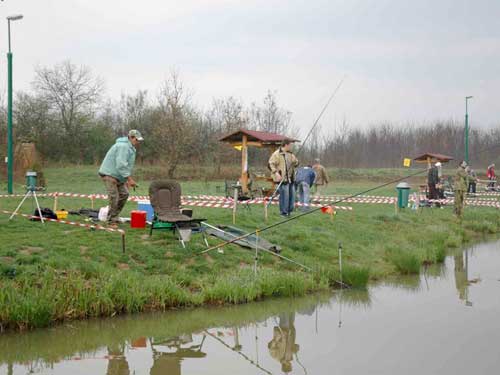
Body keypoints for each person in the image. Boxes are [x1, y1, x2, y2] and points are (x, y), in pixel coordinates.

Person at [99, 130, 143, 226]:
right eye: (136, 139)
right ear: (131, 137)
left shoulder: (130, 147)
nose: (138, 142)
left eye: (139, 140)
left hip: (118, 176)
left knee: (124, 194)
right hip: (109, 174)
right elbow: (121, 165)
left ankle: (114, 216)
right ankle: (111, 221)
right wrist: (129, 179)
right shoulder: (123, 147)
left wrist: (125, 179)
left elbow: (125, 166)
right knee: (114, 197)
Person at [269, 140, 299, 217]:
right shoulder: (277, 154)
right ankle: (283, 213)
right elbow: (270, 164)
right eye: (290, 145)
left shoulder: (291, 154)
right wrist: (276, 173)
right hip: (282, 179)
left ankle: (289, 212)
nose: (291, 147)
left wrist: (295, 162)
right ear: (286, 145)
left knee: (291, 196)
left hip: (291, 179)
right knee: (284, 196)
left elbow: (297, 163)